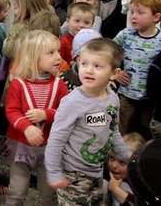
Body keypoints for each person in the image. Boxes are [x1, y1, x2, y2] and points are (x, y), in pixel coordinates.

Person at [45, 39, 131, 206]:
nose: (89, 70)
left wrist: (127, 156)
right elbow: (56, 139)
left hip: (97, 170)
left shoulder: (113, 99)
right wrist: (54, 172)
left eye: (97, 66)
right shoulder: (72, 102)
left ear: (114, 73)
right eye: (84, 63)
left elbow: (113, 131)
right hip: (72, 174)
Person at [4, 30, 69, 206]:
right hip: (21, 145)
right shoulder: (18, 84)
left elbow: (66, 113)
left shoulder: (60, 85)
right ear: (33, 57)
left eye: (58, 52)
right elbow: (12, 111)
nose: (58, 57)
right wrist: (26, 127)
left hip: (49, 147)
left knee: (49, 192)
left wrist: (47, 114)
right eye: (51, 53)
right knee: (17, 190)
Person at [114, 0, 161, 138]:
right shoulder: (125, 34)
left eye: (140, 12)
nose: (133, 16)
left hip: (150, 98)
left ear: (156, 17)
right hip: (126, 94)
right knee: (121, 130)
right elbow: (108, 53)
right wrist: (116, 73)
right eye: (132, 12)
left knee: (146, 132)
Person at [107, 133, 145, 206]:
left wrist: (116, 190)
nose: (114, 166)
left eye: (122, 162)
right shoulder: (103, 177)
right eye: (112, 158)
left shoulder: (142, 187)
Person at [60, 3, 96, 71]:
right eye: (77, 21)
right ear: (68, 20)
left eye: (86, 22)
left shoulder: (93, 42)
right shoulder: (63, 42)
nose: (81, 25)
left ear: (92, 24)